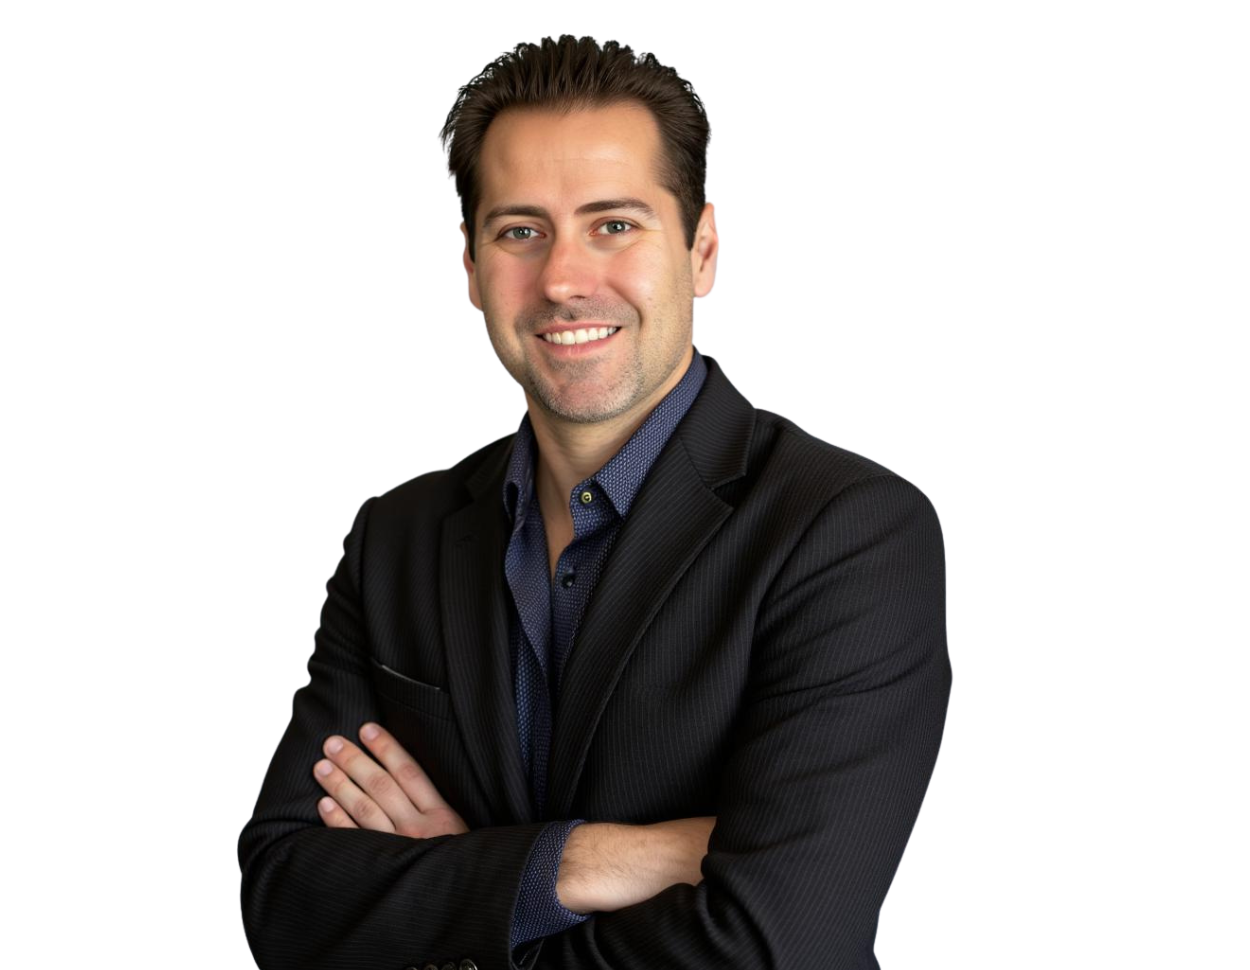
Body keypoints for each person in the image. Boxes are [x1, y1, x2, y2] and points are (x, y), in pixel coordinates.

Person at [238, 34, 950, 970]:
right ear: (468, 267)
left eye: (614, 224)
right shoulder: (395, 537)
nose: (565, 279)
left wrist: (458, 900)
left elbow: (782, 943)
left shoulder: (846, 530)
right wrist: (585, 862)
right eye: (520, 231)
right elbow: (284, 900)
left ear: (701, 251)